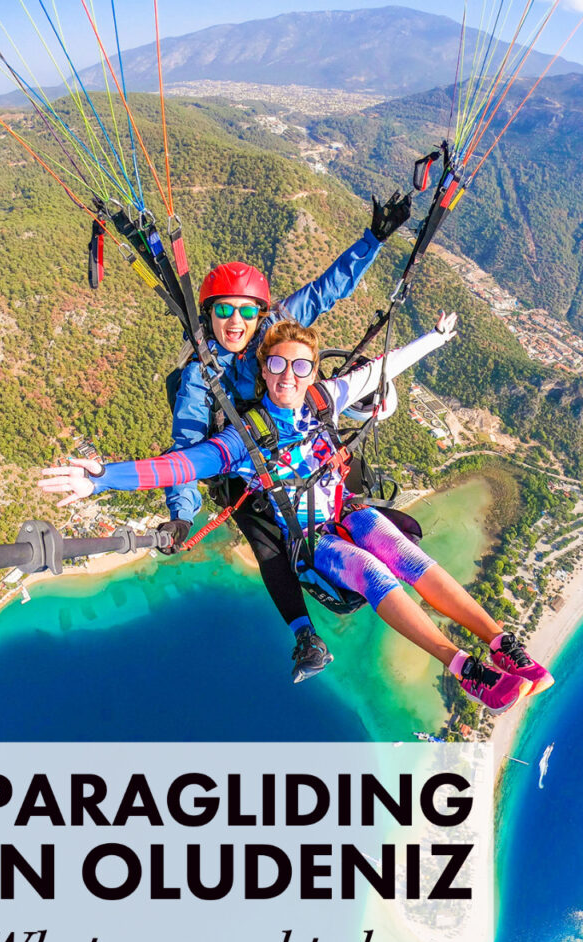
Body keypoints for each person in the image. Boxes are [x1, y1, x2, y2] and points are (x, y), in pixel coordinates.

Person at [40, 314, 553, 713]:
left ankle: (503, 643)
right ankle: (462, 666)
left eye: (301, 365)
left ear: (311, 370)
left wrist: (435, 340)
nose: (289, 375)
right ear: (263, 369)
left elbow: (380, 369)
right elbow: (179, 465)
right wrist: (103, 477)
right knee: (373, 570)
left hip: (342, 511)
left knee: (398, 549)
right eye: (278, 365)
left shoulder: (319, 402)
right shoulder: (242, 438)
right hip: (311, 542)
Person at [163, 190, 412, 683]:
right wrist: (180, 514)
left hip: (299, 439)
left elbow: (326, 290)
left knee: (344, 487)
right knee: (266, 538)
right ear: (208, 314)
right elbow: (184, 449)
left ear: (260, 313)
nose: (236, 322)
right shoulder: (199, 376)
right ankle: (305, 634)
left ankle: (381, 553)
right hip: (246, 465)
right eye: (224, 311)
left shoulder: (275, 328)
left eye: (246, 312)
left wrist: (374, 239)